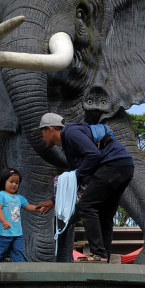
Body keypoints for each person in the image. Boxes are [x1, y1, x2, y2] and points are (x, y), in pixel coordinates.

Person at [37, 113, 134, 263]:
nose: (42, 138)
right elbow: (76, 173)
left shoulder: (70, 133)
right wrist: (53, 200)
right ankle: (104, 258)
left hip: (113, 164)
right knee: (104, 214)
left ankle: (98, 254)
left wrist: (77, 175)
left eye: (42, 132)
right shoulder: (69, 147)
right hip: (124, 166)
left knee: (86, 206)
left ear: (49, 129)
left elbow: (93, 155)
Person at [0, 167, 45, 263]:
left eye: (17, 183)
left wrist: (39, 208)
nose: (14, 185)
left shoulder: (19, 198)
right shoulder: (0, 195)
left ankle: (18, 275)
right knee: (0, 256)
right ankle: (0, 275)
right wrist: (3, 221)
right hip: (2, 233)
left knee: (18, 255)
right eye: (11, 181)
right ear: (4, 181)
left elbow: (28, 207)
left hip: (17, 234)